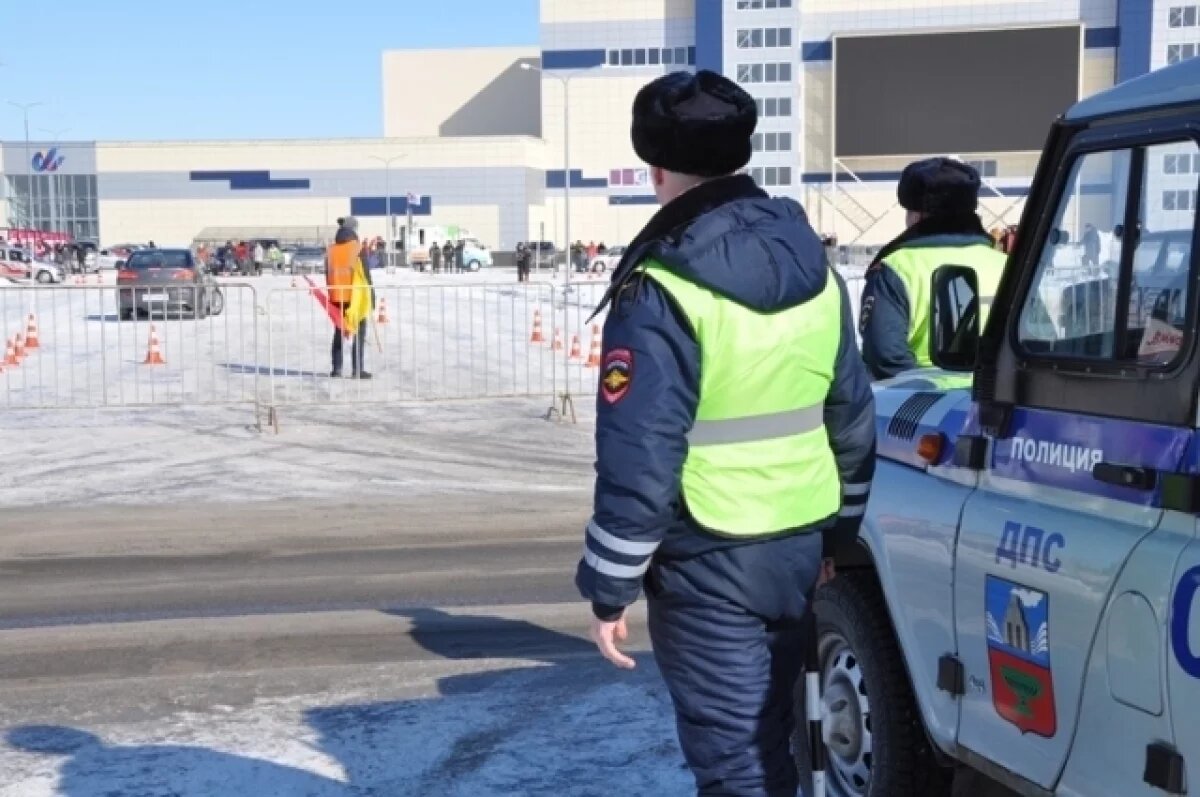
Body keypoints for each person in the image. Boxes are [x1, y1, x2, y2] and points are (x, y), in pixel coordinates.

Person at [575, 69, 875, 797]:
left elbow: (641, 457)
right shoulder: (813, 266)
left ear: (655, 170)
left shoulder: (664, 287)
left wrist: (609, 587)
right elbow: (851, 415)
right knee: (780, 743)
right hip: (799, 546)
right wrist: (837, 538)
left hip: (709, 555)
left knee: (738, 761)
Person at [857, 157, 1008, 381]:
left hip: (926, 405)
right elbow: (1036, 338)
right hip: (995, 401)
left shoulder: (895, 268)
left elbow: (885, 357)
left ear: (917, 216)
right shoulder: (1006, 264)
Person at [325, 216, 374, 379]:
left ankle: (336, 369)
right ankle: (357, 369)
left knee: (339, 332)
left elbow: (328, 274)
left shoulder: (331, 250)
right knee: (359, 332)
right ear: (354, 230)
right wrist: (371, 297)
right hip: (355, 298)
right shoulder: (357, 248)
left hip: (336, 296)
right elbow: (365, 275)